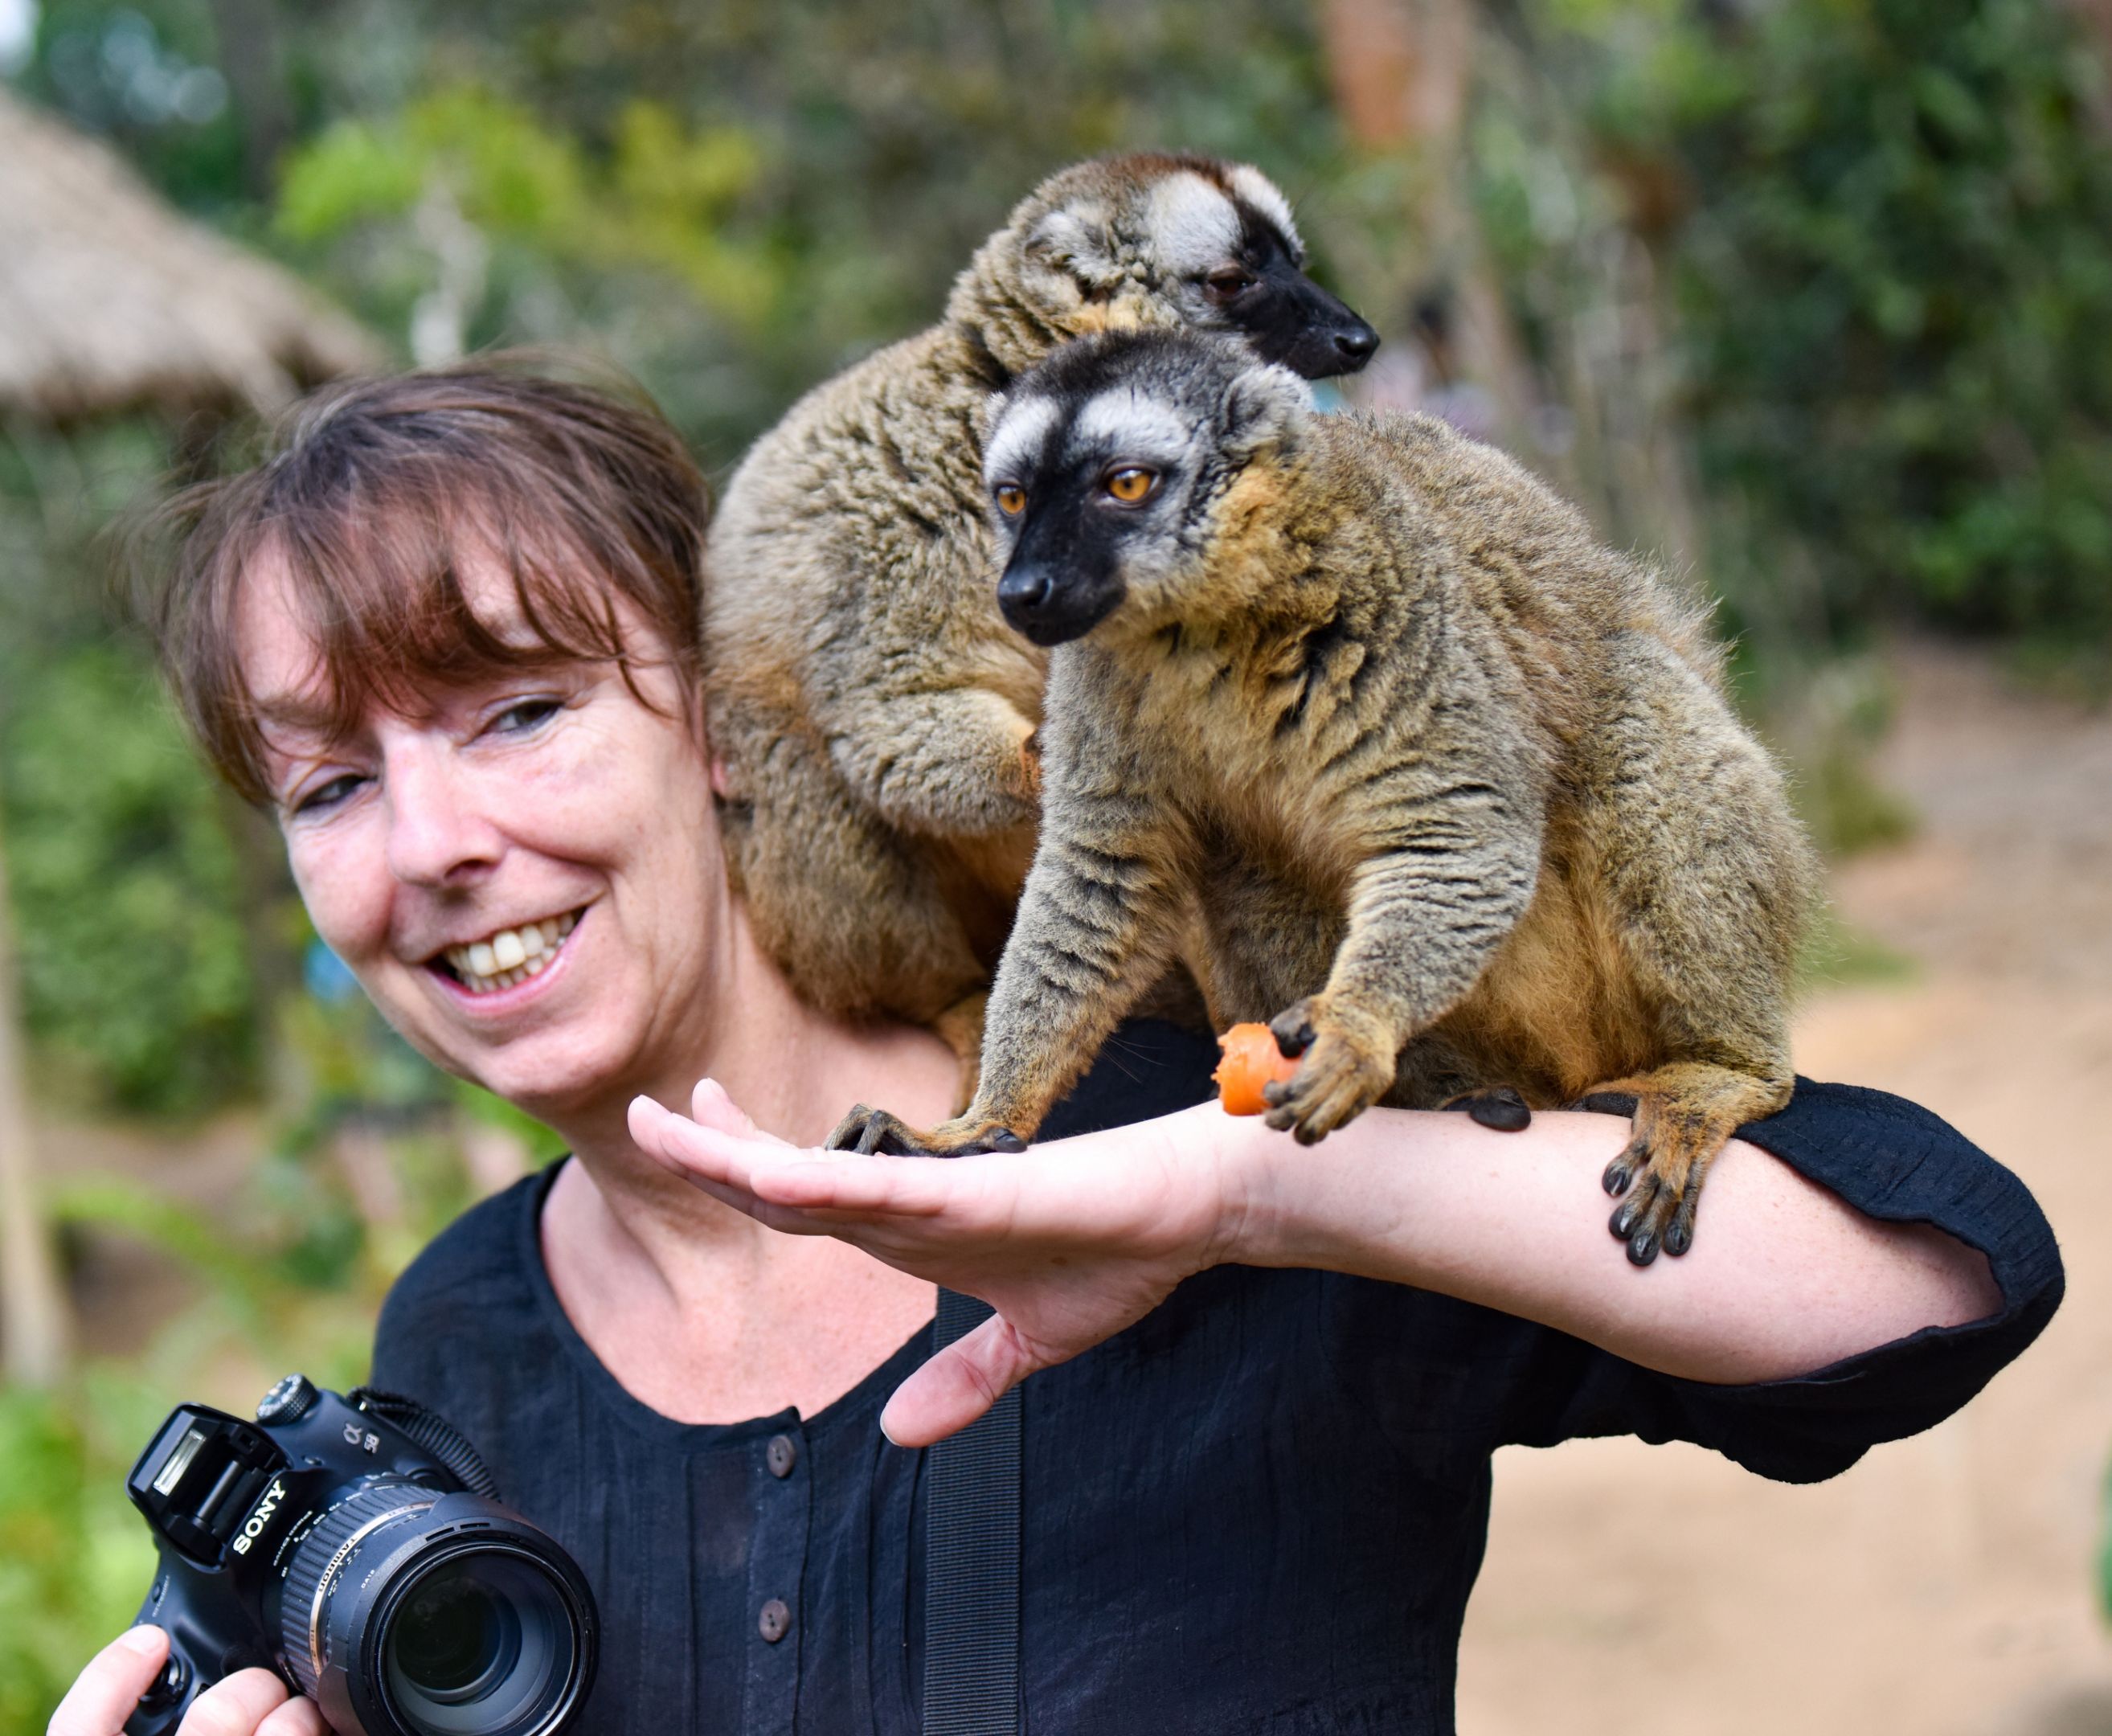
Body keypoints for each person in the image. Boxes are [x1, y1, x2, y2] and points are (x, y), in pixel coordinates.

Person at [52, 363, 2061, 1736]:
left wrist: (1267, 1181)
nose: (435, 846)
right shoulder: (456, 1347)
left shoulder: (1210, 1113)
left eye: (516, 713)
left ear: (735, 724)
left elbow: (1941, 1276)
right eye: (330, 787)